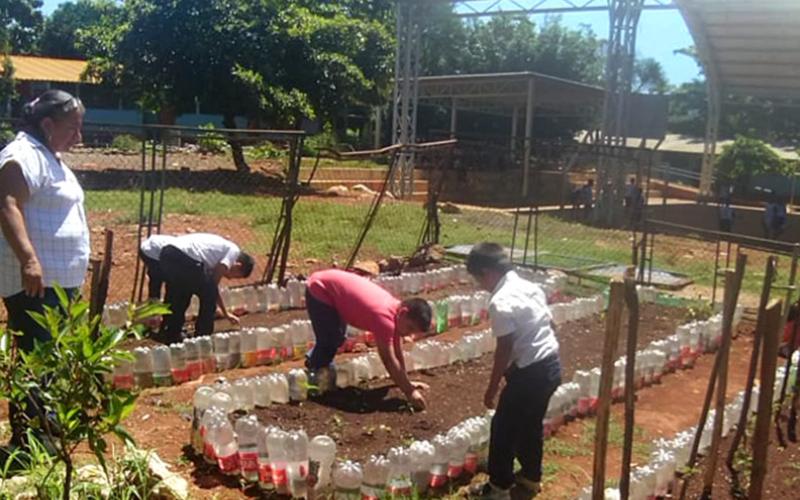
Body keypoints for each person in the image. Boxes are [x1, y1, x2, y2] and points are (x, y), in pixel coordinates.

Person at [0, 90, 88, 451]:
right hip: (37, 283)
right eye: (73, 127)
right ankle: (30, 442)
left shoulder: (48, 155)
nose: (78, 136)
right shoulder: (22, 155)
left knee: (50, 358)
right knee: (37, 360)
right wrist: (30, 260)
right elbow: (7, 204)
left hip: (56, 283)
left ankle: (43, 435)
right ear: (48, 124)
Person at [466, 242, 561, 500]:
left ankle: (498, 488)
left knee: (503, 429)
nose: (479, 285)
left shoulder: (500, 301)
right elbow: (551, 323)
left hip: (532, 372)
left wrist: (492, 388)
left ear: (486, 272)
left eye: (478, 279)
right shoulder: (530, 287)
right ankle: (531, 478)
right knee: (529, 425)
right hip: (551, 365)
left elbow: (504, 348)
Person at [305, 269, 432, 409]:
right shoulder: (384, 319)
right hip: (320, 289)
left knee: (337, 338)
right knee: (329, 341)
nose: (409, 334)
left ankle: (315, 361)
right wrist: (409, 392)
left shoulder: (396, 311)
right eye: (410, 328)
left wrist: (405, 382)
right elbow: (389, 359)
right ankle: (314, 383)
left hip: (331, 288)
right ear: (403, 312)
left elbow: (397, 349)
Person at [158, 233, 254, 344]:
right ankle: (203, 338)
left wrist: (225, 313)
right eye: (235, 275)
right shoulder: (234, 251)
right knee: (208, 296)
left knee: (180, 294)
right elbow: (213, 285)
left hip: (167, 254)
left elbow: (211, 284)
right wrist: (225, 312)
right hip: (185, 257)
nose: (230, 278)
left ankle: (171, 333)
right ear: (238, 265)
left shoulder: (215, 253)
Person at [139, 233, 178, 301]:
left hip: (158, 248)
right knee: (158, 278)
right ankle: (155, 302)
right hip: (149, 251)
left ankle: (162, 302)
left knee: (171, 280)